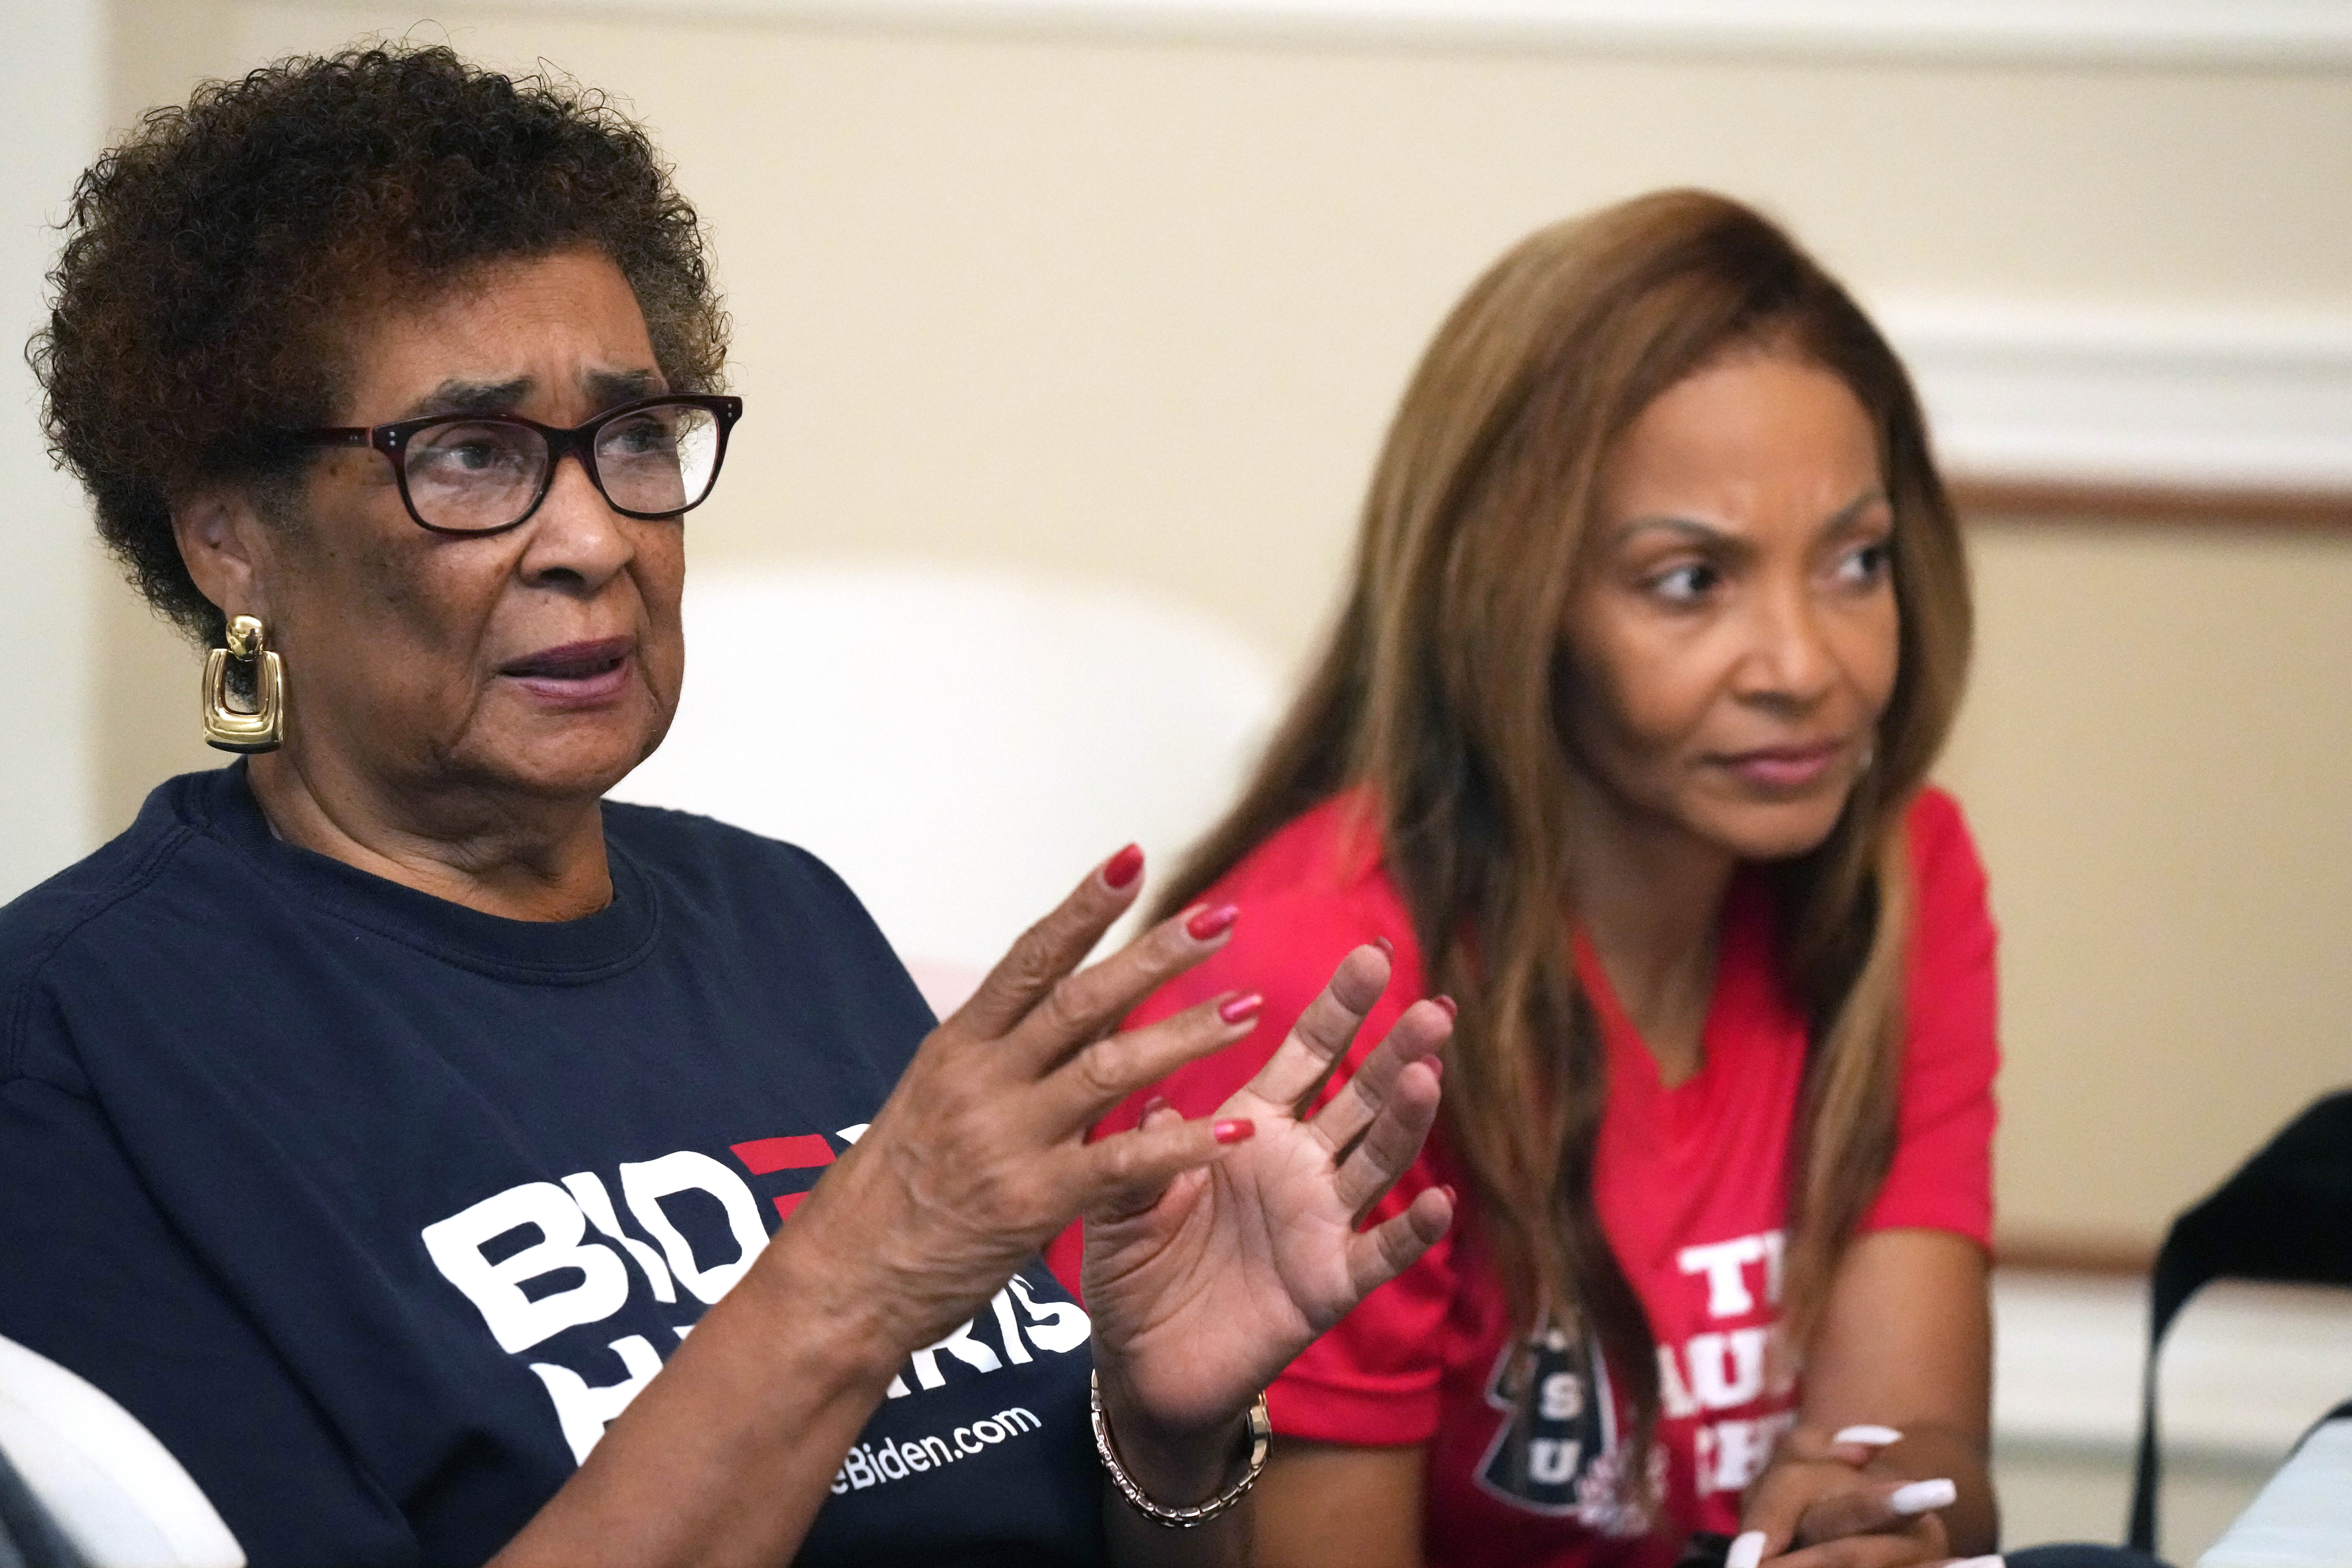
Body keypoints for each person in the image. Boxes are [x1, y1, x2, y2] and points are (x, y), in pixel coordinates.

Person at [0, 46, 1456, 1567]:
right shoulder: (76, 1051)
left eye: (634, 439)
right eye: (473, 455)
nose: (593, 535)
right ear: (230, 539)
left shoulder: (785, 917)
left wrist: (1165, 1437)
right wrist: (852, 1273)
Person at [1050, 192, 1999, 1568]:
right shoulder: (1331, 985)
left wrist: (1876, 1515)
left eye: (1854, 561)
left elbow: (1927, 1451)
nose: (1804, 664)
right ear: (1509, 596)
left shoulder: (1902, 869)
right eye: (1689, 580)